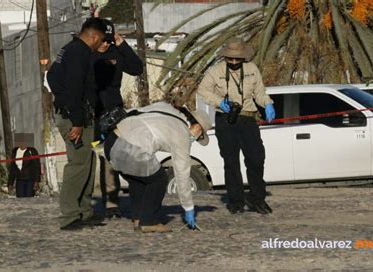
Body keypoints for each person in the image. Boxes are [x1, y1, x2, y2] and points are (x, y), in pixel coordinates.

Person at [102, 102, 212, 233]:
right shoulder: (182, 134)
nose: (196, 139)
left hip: (111, 142)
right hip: (127, 148)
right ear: (198, 126)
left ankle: (138, 218)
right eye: (199, 136)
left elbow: (135, 110)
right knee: (159, 179)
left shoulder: (167, 108)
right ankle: (149, 221)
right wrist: (188, 207)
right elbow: (182, 174)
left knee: (139, 178)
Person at [197, 37, 275, 215]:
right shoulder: (215, 71)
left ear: (243, 57)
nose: (233, 62)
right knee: (231, 162)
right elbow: (203, 91)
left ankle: (257, 199)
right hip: (226, 119)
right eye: (229, 58)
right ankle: (236, 201)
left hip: (248, 118)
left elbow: (260, 92)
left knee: (256, 159)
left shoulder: (252, 69)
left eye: (236, 59)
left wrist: (268, 103)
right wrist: (219, 102)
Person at [47, 17, 107, 231]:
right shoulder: (79, 53)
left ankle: (84, 210)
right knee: (78, 164)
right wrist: (77, 122)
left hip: (80, 116)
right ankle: (70, 215)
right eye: (100, 40)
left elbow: (53, 78)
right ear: (93, 36)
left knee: (88, 161)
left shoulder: (69, 49)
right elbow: (74, 88)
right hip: (75, 119)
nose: (100, 45)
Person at [93, 19, 143, 218]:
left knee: (115, 158)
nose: (105, 44)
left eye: (109, 40)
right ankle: (100, 204)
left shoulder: (116, 53)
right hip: (95, 114)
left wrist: (122, 44)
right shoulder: (87, 55)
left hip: (115, 113)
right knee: (98, 159)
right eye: (102, 40)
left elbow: (137, 68)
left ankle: (115, 203)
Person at [7, 134, 41, 198]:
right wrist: (10, 183)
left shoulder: (32, 151)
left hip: (30, 180)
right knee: (20, 199)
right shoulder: (15, 151)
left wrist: (37, 181)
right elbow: (12, 168)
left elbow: (36, 167)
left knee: (29, 198)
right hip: (19, 180)